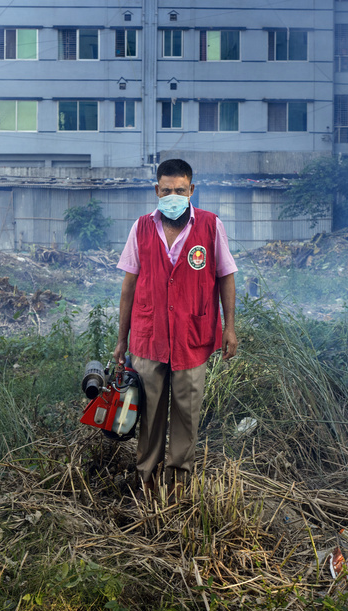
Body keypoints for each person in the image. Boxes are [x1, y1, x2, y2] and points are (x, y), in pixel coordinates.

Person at [114, 158, 237, 498]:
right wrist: (121, 340)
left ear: (191, 190)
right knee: (150, 412)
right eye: (166, 190)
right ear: (156, 191)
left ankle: (179, 481)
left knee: (187, 410)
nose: (173, 196)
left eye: (180, 190)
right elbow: (128, 286)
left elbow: (226, 276)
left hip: (192, 338)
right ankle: (147, 479)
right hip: (148, 337)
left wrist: (230, 327)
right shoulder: (140, 228)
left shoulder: (211, 226)